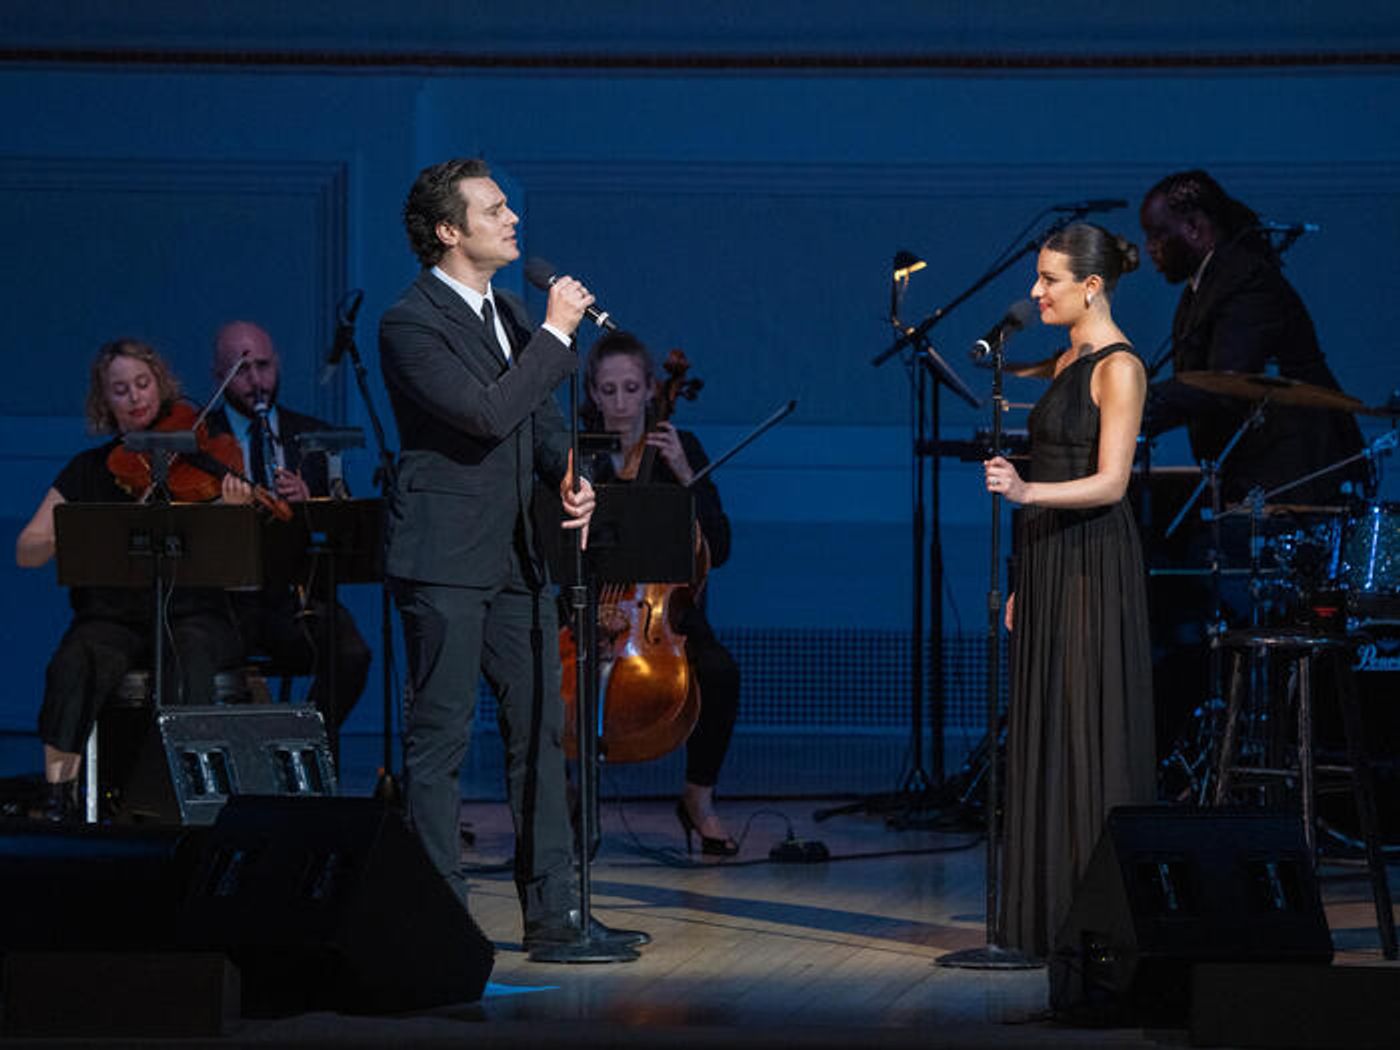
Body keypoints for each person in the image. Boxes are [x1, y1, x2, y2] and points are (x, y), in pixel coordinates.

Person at [379, 157, 646, 955]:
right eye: (494, 210)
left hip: (519, 559)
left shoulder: (515, 316)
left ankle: (556, 914)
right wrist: (560, 330)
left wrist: (579, 476)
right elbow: (488, 413)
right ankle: (441, 926)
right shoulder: (411, 323)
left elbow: (541, 431)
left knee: (541, 731)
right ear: (448, 231)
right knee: (441, 737)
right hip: (446, 558)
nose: (512, 220)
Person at [983, 224, 1156, 958]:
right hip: (1051, 560)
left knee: (1087, 730)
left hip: (1091, 561)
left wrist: (1025, 490)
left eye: (1049, 279)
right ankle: (1049, 916)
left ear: (1091, 286)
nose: (1036, 291)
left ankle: (1099, 927)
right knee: (1049, 729)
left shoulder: (1120, 367)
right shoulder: (1065, 357)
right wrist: (1024, 577)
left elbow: (1113, 483)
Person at [15, 339, 248, 822]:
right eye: (120, 390)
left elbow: (241, 560)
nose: (135, 398)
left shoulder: (203, 458)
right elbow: (27, 550)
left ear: (161, 386)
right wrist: (84, 531)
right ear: (106, 403)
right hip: (114, 618)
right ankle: (60, 796)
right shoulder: (89, 471)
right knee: (75, 659)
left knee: (190, 654)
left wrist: (231, 511)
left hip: (193, 613)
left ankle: (178, 794)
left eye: (143, 384)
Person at [581, 331, 742, 855]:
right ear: (592, 393)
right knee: (543, 671)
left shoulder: (681, 446)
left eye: (632, 388)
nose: (621, 404)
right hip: (587, 604)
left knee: (719, 672)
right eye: (609, 391)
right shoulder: (582, 452)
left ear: (653, 390)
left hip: (661, 617)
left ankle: (698, 798)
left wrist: (686, 476)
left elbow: (719, 548)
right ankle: (567, 795)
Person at [1139, 169, 1366, 506]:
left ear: (1195, 228)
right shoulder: (1205, 286)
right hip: (1258, 472)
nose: (1150, 249)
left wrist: (1126, 407)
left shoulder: (1246, 280)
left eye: (1158, 235)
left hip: (1293, 474)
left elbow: (1223, 383)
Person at [206, 320, 372, 731]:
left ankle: (302, 743)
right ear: (219, 375)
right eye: (241, 371)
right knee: (193, 654)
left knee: (352, 654)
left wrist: (309, 504)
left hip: (295, 597)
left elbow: (343, 524)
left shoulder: (311, 434)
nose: (256, 381)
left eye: (263, 366)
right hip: (225, 602)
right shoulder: (201, 437)